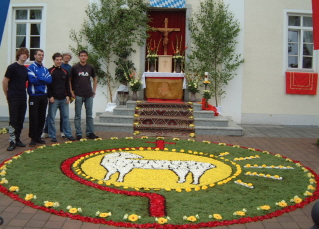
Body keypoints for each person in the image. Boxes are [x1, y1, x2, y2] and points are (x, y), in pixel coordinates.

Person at [2, 47, 29, 151]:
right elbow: (4, 82)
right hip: (13, 97)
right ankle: (12, 141)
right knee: (13, 120)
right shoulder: (12, 67)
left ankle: (17, 139)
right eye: (22, 53)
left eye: (26, 54)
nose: (24, 55)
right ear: (19, 55)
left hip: (23, 96)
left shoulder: (25, 69)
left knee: (20, 119)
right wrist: (7, 95)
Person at [41, 50, 73, 139]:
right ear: (54, 60)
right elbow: (48, 85)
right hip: (54, 99)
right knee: (51, 118)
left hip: (64, 98)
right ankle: (52, 135)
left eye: (60, 60)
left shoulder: (65, 72)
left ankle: (68, 134)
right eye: (57, 60)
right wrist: (50, 96)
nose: (59, 61)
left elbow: (67, 84)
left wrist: (68, 96)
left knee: (66, 118)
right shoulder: (49, 71)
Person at [69, 50, 99, 140]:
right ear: (79, 57)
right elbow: (69, 80)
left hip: (89, 94)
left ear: (87, 57)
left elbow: (95, 79)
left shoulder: (90, 67)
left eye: (85, 56)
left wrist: (94, 91)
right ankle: (78, 133)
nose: (83, 57)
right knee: (77, 115)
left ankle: (90, 133)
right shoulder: (74, 68)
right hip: (78, 94)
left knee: (89, 115)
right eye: (81, 55)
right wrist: (71, 92)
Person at [27, 49, 52, 147]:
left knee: (41, 117)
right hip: (34, 96)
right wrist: (43, 79)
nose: (41, 56)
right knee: (34, 117)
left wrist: (39, 78)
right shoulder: (30, 68)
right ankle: (32, 138)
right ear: (35, 56)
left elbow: (49, 80)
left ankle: (38, 137)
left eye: (42, 55)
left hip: (43, 96)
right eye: (39, 55)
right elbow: (32, 80)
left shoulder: (45, 69)